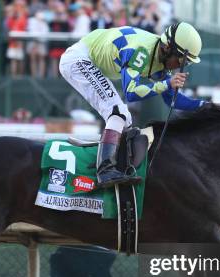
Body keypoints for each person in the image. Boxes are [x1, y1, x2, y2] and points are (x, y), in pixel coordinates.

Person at [59, 22, 206, 188]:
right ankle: (105, 170)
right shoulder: (140, 51)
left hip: (89, 60)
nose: (182, 65)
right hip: (78, 59)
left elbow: (172, 100)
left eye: (187, 62)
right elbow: (131, 93)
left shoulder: (161, 59)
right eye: (181, 59)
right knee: (118, 112)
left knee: (125, 118)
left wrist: (207, 106)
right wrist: (166, 84)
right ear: (166, 48)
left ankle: (116, 165)